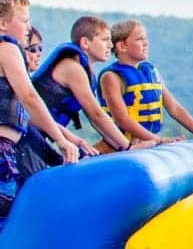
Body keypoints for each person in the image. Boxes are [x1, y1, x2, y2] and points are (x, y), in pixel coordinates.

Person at [0, 0, 82, 219]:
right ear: (2, 23)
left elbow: (23, 114)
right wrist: (61, 141)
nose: (28, 27)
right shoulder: (7, 48)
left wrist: (68, 136)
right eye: (24, 20)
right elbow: (29, 97)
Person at [31, 16, 150, 153]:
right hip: (28, 135)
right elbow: (96, 114)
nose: (110, 45)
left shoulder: (83, 71)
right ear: (85, 43)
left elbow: (95, 120)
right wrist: (129, 147)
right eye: (105, 40)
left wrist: (121, 147)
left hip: (38, 135)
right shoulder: (73, 68)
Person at [96, 19, 193, 143]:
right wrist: (158, 140)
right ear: (122, 46)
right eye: (139, 39)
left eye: (145, 39)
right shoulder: (111, 77)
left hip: (148, 142)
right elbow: (122, 119)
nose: (146, 43)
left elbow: (174, 108)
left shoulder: (150, 72)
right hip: (120, 146)